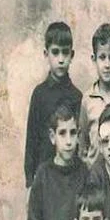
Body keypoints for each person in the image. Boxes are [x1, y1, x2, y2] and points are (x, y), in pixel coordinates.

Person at [24, 21, 82, 188]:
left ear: (72, 55)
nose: (61, 59)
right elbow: (32, 139)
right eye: (55, 52)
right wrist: (30, 181)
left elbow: (79, 142)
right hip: (44, 177)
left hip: (70, 176)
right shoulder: (39, 94)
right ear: (46, 53)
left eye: (65, 53)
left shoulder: (77, 96)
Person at [78, 23, 110, 168]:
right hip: (93, 175)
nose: (107, 65)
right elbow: (82, 143)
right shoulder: (87, 100)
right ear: (94, 59)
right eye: (102, 57)